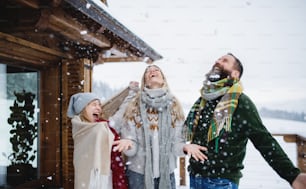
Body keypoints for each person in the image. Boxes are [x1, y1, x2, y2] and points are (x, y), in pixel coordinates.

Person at [184, 53, 306, 189]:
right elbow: (182, 132)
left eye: (225, 60)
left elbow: (264, 140)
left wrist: (292, 175)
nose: (218, 61)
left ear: (235, 74)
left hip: (221, 182)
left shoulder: (240, 102)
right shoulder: (203, 100)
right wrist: (184, 146)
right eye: (218, 59)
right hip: (195, 178)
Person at [110, 65, 207, 189]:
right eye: (148, 71)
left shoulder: (174, 106)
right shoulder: (134, 106)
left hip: (166, 174)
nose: (152, 71)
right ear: (144, 81)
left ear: (163, 79)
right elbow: (132, 148)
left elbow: (176, 144)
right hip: (138, 175)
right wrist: (128, 143)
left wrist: (185, 147)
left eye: (156, 70)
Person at [67, 92, 132, 189]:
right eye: (94, 104)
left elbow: (119, 115)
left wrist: (130, 94)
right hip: (91, 179)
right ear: (82, 108)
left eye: (99, 105)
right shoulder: (81, 128)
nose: (98, 108)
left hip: (106, 176)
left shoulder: (103, 125)